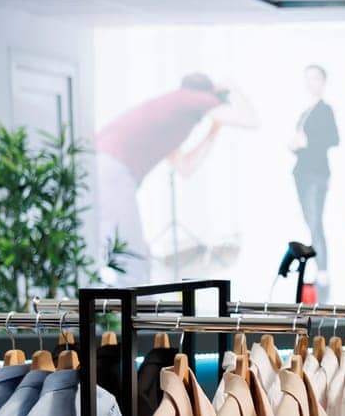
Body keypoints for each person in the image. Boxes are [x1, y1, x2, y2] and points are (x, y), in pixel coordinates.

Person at [93, 73, 259, 283]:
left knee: (117, 246)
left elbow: (185, 167)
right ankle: (137, 313)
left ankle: (126, 309)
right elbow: (252, 121)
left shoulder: (173, 111)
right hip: (113, 170)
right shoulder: (195, 99)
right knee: (131, 254)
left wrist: (214, 130)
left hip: (102, 167)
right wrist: (233, 86)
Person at [290, 64, 339, 262]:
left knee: (315, 222)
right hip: (301, 172)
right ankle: (318, 266)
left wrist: (308, 142)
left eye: (315, 78)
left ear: (323, 82)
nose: (311, 82)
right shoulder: (306, 112)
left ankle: (322, 270)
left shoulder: (324, 110)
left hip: (316, 174)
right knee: (310, 222)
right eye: (307, 77)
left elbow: (334, 139)